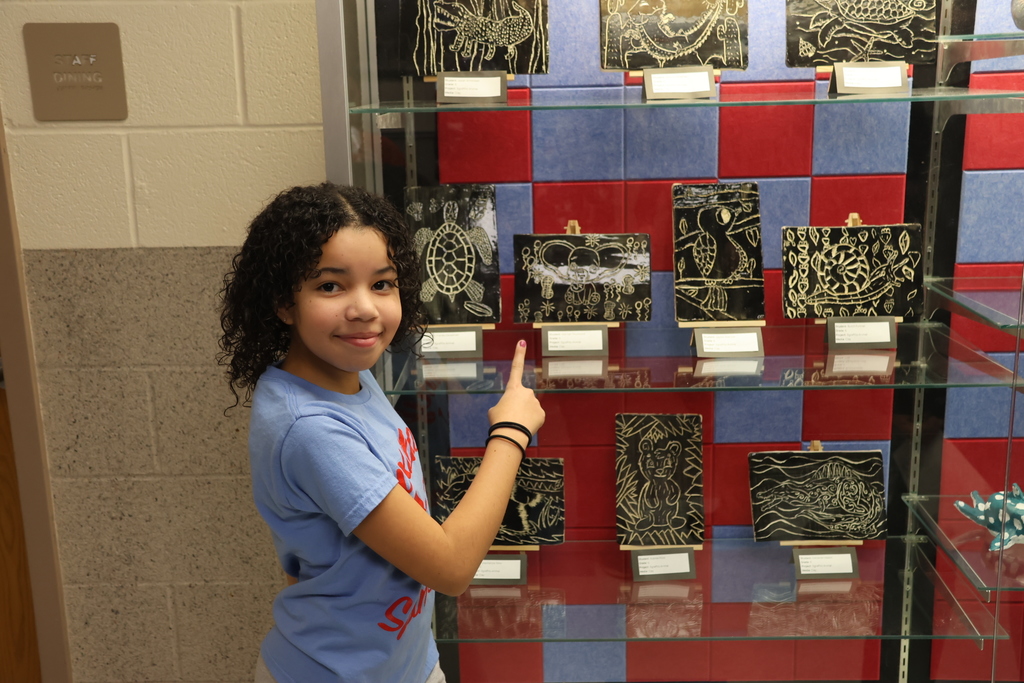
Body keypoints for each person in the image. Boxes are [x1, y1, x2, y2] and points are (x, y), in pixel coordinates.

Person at [218, 182, 545, 683]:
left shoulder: (344, 375)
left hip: (401, 664)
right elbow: (452, 567)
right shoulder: (310, 428)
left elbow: (305, 556)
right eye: (330, 286)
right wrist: (511, 431)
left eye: (382, 283)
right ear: (284, 301)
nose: (364, 308)